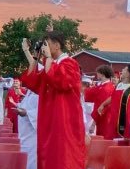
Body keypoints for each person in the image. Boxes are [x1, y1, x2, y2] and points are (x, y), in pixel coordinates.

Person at [19, 31, 86, 169]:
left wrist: (48, 58)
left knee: (62, 157)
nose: (45, 48)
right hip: (50, 119)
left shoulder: (70, 63)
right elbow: (33, 82)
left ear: (56, 45)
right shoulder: (52, 63)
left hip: (64, 120)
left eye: (47, 44)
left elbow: (60, 81)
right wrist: (35, 58)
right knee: (48, 155)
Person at [85, 65, 115, 139]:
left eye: (98, 73)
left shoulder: (106, 88)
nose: (96, 74)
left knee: (103, 139)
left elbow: (101, 107)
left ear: (102, 74)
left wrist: (93, 123)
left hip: (104, 120)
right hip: (102, 119)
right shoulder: (104, 86)